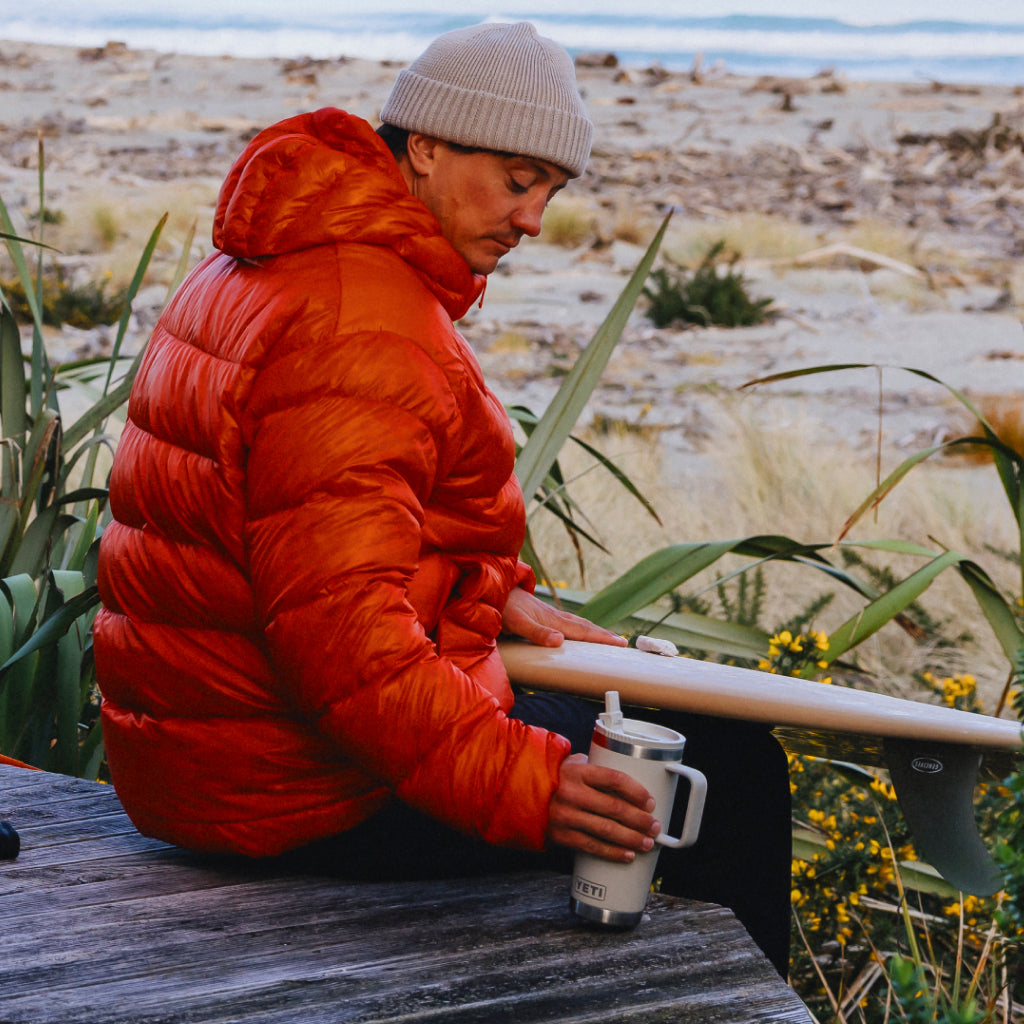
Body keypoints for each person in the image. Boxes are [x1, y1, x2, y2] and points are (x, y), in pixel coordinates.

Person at [93, 21, 792, 975]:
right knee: (727, 763)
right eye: (516, 179)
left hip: (201, 762)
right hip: (293, 794)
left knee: (640, 715)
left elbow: (288, 526)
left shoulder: (270, 258)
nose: (533, 219)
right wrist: (536, 785)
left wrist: (485, 587)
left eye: (551, 190)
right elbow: (340, 635)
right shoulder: (361, 318)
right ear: (424, 146)